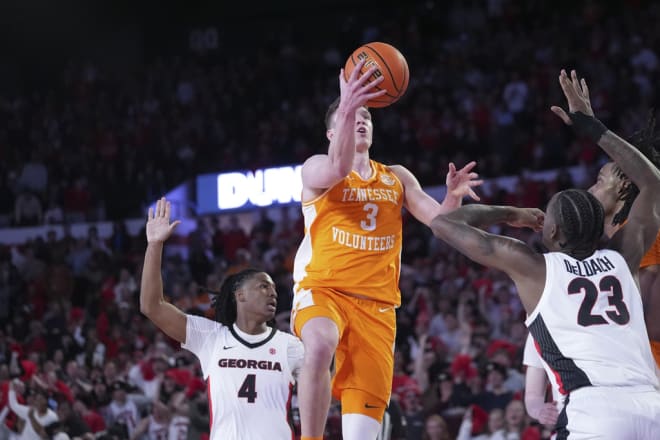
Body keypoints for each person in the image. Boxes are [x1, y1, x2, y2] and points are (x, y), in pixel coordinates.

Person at [430, 69, 660, 438]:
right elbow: (653, 182)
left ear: (551, 231)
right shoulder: (623, 255)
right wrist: (591, 126)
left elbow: (443, 225)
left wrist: (511, 213)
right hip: (651, 407)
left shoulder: (535, 268)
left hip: (595, 412)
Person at [291, 59, 482, 440]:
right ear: (331, 134)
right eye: (350, 117)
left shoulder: (396, 176)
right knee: (320, 343)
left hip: (378, 309)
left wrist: (453, 199)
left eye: (367, 116)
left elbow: (440, 223)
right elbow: (337, 168)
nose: (360, 119)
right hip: (323, 291)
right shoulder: (315, 169)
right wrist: (345, 105)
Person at [522, 115, 660, 427]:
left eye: (599, 181)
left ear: (624, 185)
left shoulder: (637, 238)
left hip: (639, 386)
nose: (590, 187)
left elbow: (652, 325)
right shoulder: (612, 247)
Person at [140, 197, 304, 440]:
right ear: (239, 295)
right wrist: (154, 245)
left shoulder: (292, 346)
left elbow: (327, 392)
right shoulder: (211, 337)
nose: (272, 292)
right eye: (262, 286)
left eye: (274, 289)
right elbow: (152, 306)